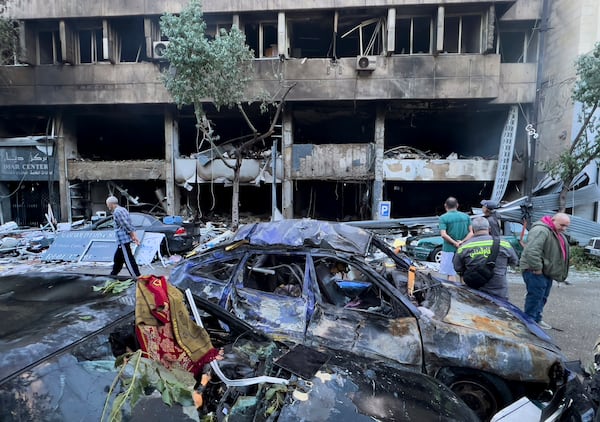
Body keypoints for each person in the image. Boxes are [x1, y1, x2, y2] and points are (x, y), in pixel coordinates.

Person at [520, 213, 571, 329]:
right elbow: (532, 251)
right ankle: (529, 323)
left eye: (566, 226)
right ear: (553, 220)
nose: (564, 229)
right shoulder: (541, 230)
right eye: (562, 225)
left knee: (542, 296)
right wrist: (537, 268)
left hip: (546, 271)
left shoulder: (554, 232)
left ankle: (536, 319)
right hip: (534, 270)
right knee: (535, 296)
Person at [453, 216, 518, 300]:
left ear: (472, 230)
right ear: (489, 229)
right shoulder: (504, 244)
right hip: (499, 291)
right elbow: (514, 261)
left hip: (475, 291)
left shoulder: (464, 247)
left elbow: (457, 268)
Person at [106, 195, 141, 278]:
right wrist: (133, 235)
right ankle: (113, 275)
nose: (108, 207)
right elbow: (129, 223)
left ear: (111, 204)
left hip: (123, 239)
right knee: (117, 259)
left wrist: (133, 235)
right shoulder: (123, 209)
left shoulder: (117, 212)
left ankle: (136, 277)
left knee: (128, 259)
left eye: (107, 204)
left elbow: (125, 224)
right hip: (122, 240)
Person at [438, 197, 473, 281]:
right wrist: (462, 242)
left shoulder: (443, 218)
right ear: (457, 205)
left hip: (449, 249)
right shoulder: (466, 216)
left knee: (451, 273)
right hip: (464, 248)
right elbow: (471, 232)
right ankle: (465, 293)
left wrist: (454, 243)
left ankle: (453, 292)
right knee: (463, 273)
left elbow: (443, 234)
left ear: (445, 205)